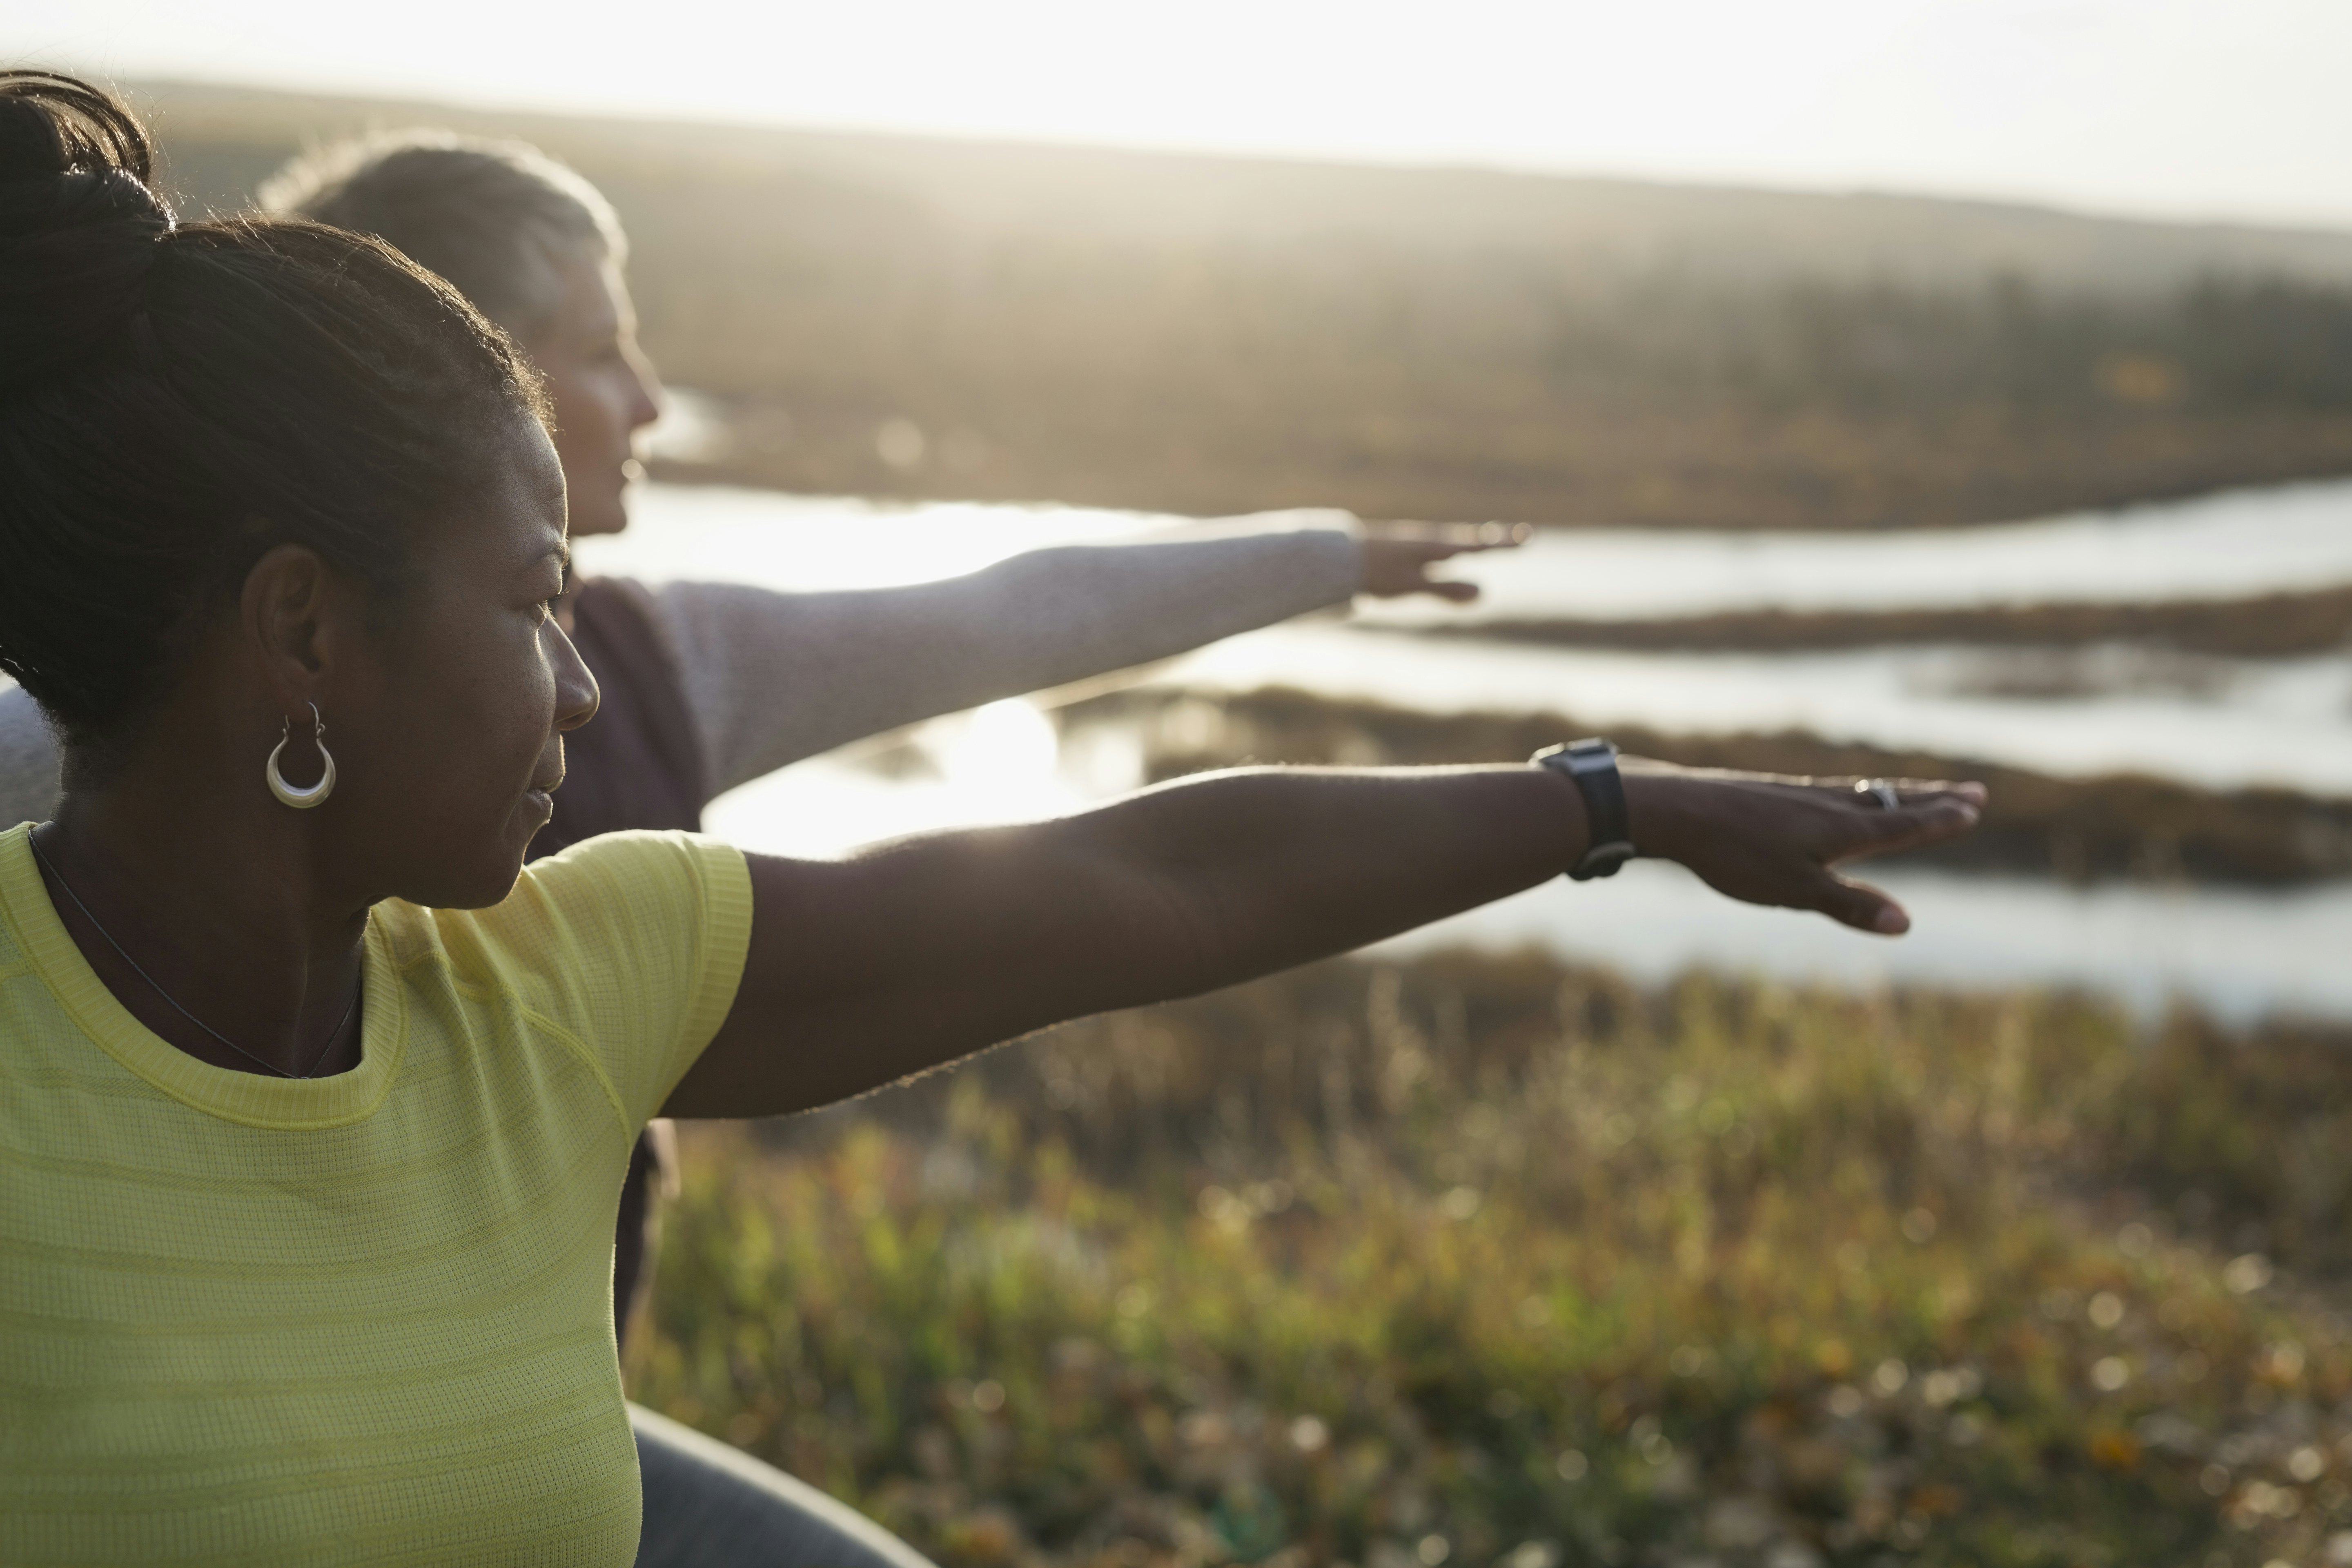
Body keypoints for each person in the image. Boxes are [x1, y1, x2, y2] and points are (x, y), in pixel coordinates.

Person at [0, 73, 1984, 1567]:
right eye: (532, 606)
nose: (584, 686)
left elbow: (1151, 883)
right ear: (301, 631)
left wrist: (1601, 802)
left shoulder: (564, 977)